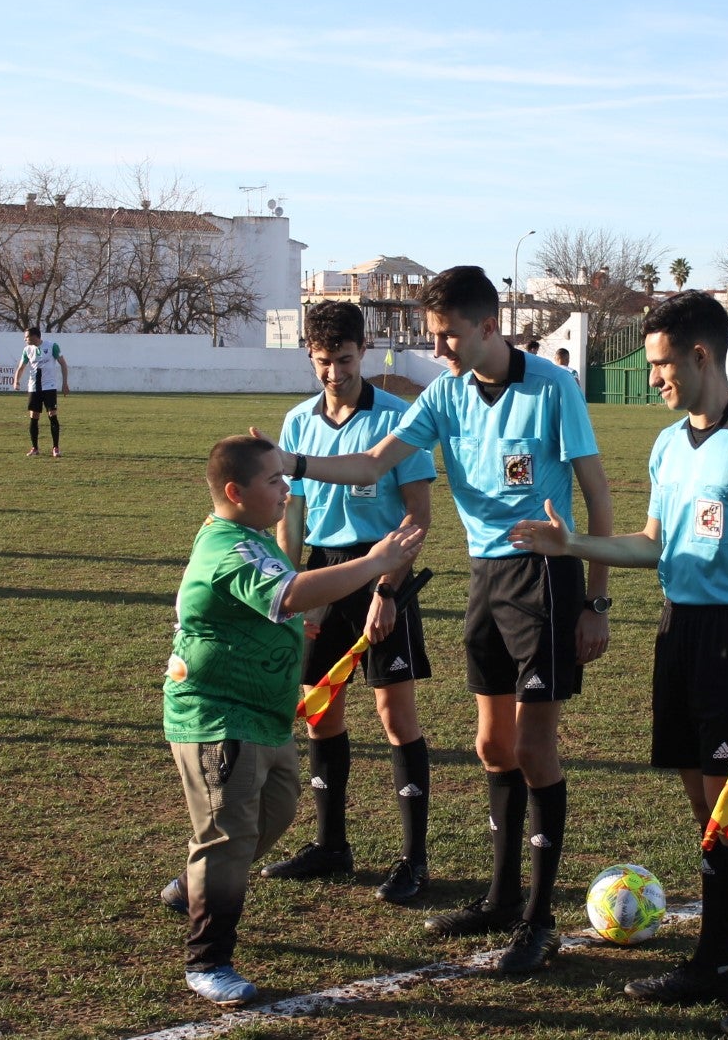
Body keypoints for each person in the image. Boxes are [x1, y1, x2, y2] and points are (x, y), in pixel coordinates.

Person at [260, 265, 614, 975]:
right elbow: (368, 467)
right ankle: (500, 896)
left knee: (536, 750)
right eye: (434, 338)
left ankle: (537, 919)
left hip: (545, 576)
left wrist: (595, 601)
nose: (441, 350)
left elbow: (598, 500)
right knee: (490, 745)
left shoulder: (553, 387)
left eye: (449, 336)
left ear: (489, 326)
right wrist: (290, 460)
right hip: (486, 579)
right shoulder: (445, 397)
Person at [510, 290, 728, 1037]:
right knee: (705, 814)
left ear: (700, 354)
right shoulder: (668, 443)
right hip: (676, 631)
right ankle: (710, 963)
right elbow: (652, 543)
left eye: (661, 363)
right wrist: (572, 544)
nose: (654, 378)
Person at [162, 435, 423, 1007]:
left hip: (264, 715)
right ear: (235, 492)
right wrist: (376, 562)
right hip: (219, 716)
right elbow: (286, 594)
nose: (287, 490)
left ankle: (192, 886)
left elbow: (272, 607)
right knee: (229, 835)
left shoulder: (252, 537)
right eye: (275, 481)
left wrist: (288, 627)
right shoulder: (227, 547)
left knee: (274, 813)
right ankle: (207, 961)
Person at [258, 301, 437, 905]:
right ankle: (332, 845)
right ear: (310, 358)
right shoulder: (298, 423)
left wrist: (387, 592)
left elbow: (419, 516)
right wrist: (291, 584)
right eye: (323, 362)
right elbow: (292, 514)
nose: (334, 373)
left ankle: (414, 861)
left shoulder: (398, 420)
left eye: (344, 359)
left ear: (366, 352)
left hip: (384, 570)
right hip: (323, 575)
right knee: (320, 709)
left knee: (396, 718)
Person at [10, 326, 69, 457]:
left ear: (35, 336)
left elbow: (63, 364)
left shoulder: (52, 346)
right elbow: (21, 367)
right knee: (34, 417)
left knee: (52, 415)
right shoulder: (27, 350)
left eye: (27, 337)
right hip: (34, 388)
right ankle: (35, 448)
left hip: (49, 387)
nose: (25, 339)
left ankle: (56, 448)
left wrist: (65, 383)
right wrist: (16, 381)